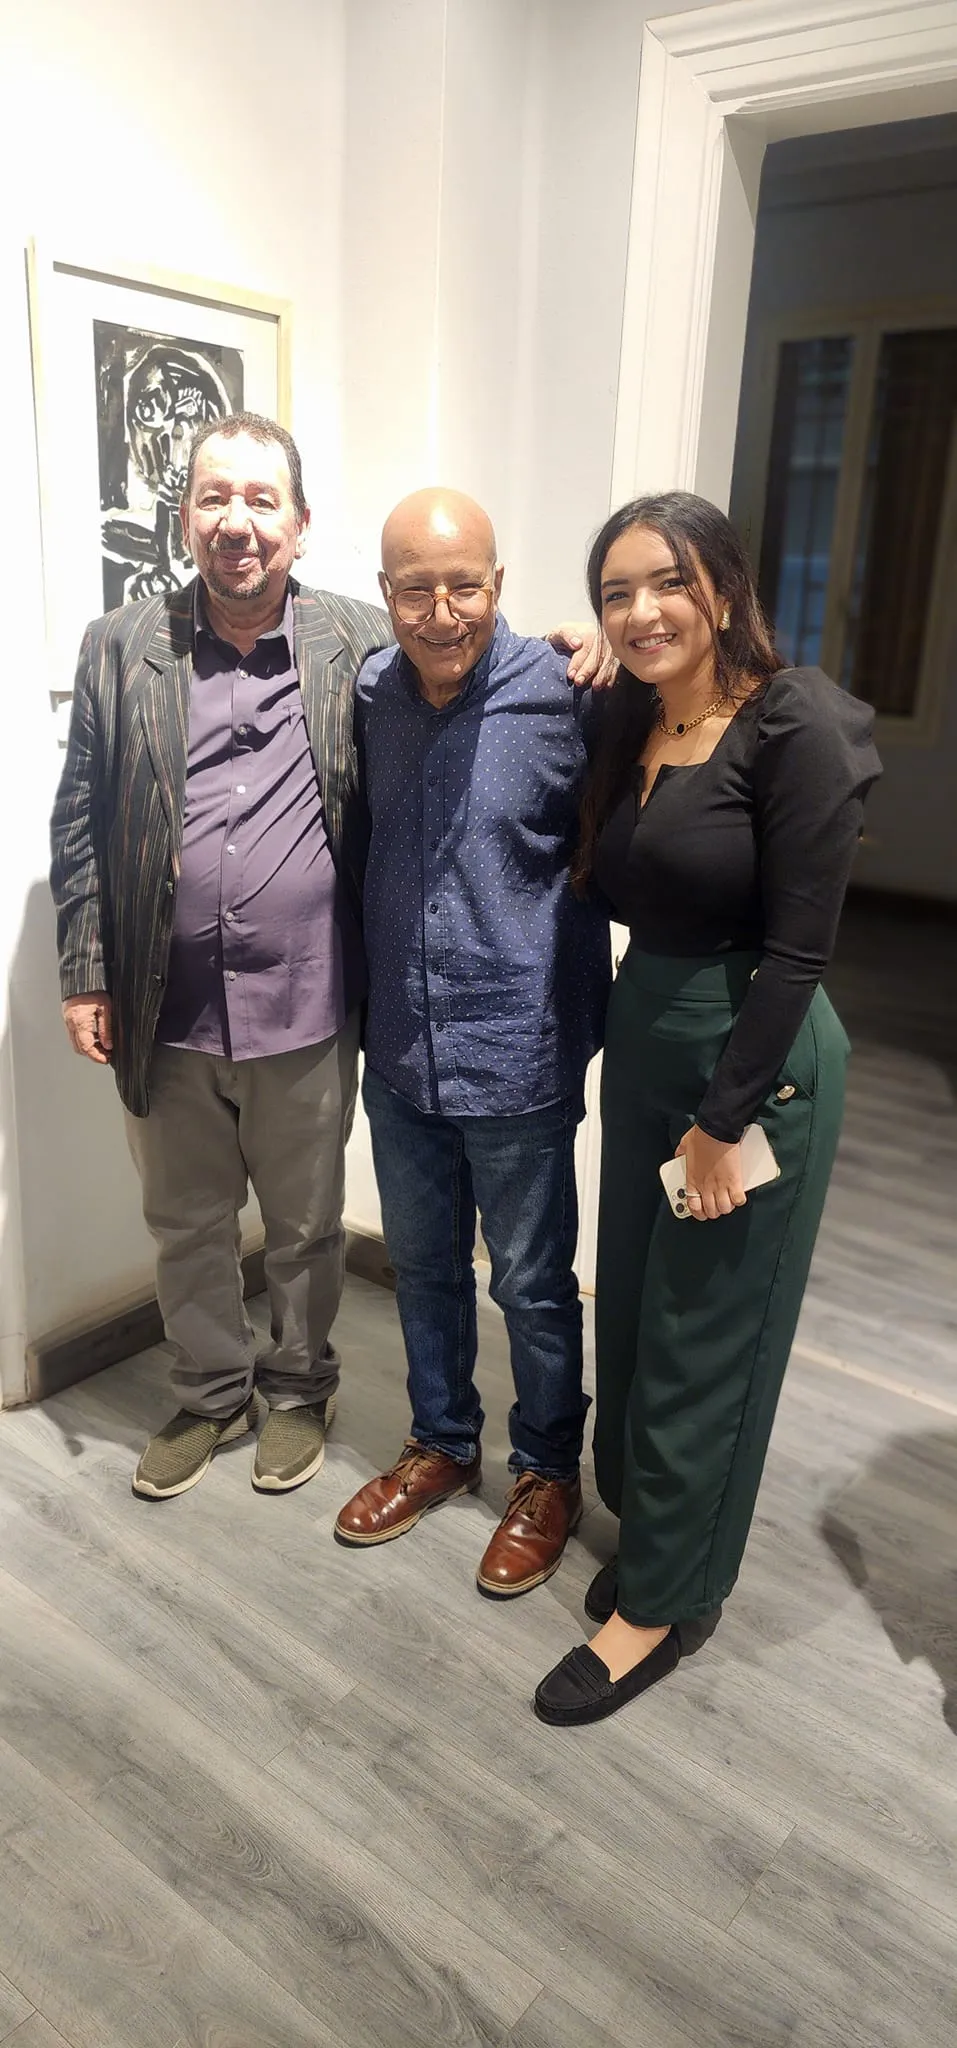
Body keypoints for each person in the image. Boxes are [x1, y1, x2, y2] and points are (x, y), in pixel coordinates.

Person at [533, 491, 881, 1725]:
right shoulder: (636, 717)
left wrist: (724, 1119)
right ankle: (662, 1531)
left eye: (668, 582)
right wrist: (575, 652)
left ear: (724, 588)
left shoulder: (795, 724)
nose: (641, 611)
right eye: (615, 592)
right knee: (631, 1301)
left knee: (703, 1334)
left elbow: (799, 952)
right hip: (648, 1043)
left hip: (753, 1062)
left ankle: (666, 1603)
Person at [51, 412, 392, 1500]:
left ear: (300, 522)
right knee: (187, 1223)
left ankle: (298, 1388)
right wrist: (86, 969)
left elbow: (470, 667)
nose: (236, 522)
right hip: (163, 1003)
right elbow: (81, 819)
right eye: (214, 497)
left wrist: (582, 646)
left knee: (304, 1226)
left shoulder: (363, 640)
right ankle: (209, 1392)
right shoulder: (120, 645)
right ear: (185, 514)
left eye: (260, 499)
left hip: (309, 1000)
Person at [334, 489, 611, 1597]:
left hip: (520, 1047)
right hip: (402, 1046)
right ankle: (442, 1442)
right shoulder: (370, 692)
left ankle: (547, 1471)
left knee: (534, 1286)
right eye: (416, 588)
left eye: (464, 585)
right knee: (424, 1268)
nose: (440, 611)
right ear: (386, 592)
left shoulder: (570, 692)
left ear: (499, 585)